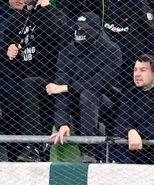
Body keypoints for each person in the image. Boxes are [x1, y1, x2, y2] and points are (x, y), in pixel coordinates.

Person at [49, 13, 123, 158]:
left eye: (85, 29)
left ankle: (90, 151)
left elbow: (100, 83)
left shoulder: (112, 50)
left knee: (88, 94)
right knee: (64, 93)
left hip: (105, 100)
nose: (79, 32)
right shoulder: (67, 51)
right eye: (77, 28)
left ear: (96, 30)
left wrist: (69, 87)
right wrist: (62, 123)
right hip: (75, 100)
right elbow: (59, 87)